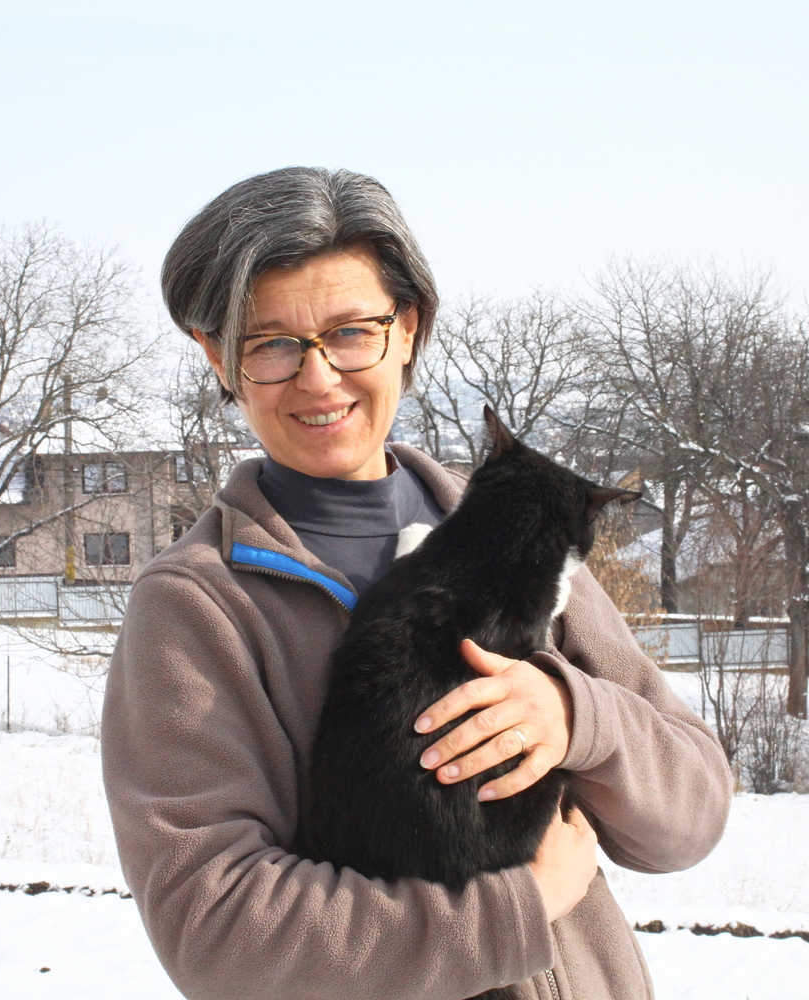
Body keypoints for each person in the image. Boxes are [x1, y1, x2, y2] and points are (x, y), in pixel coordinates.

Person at [102, 167, 732, 1000]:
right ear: (220, 359)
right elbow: (215, 931)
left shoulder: (518, 542)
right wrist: (521, 906)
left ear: (408, 328)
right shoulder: (198, 606)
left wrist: (578, 715)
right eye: (272, 343)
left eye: (351, 331)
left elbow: (691, 820)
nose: (319, 377)